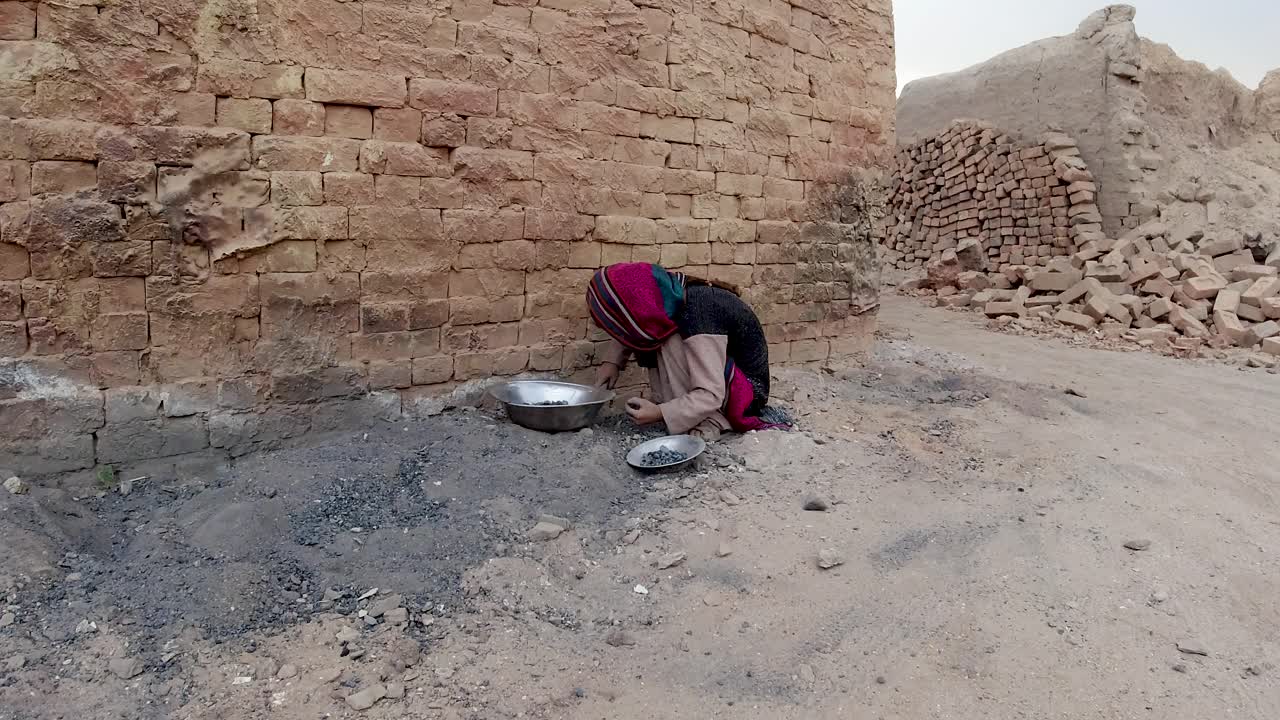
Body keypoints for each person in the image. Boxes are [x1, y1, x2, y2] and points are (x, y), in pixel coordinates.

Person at [587, 262, 788, 441]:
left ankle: (711, 420)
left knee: (668, 339)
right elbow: (634, 320)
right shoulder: (667, 294)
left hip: (745, 395)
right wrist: (612, 362)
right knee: (654, 334)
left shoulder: (700, 313)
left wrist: (661, 413)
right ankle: (680, 408)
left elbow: (710, 394)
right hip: (721, 378)